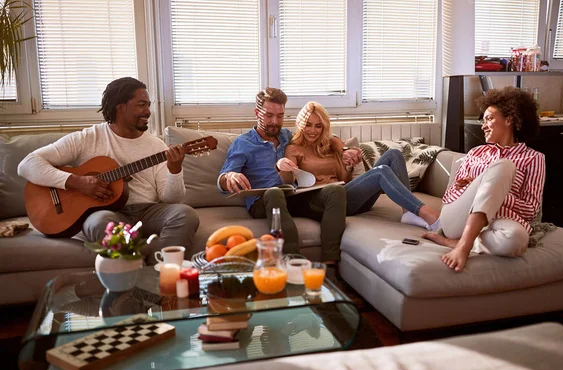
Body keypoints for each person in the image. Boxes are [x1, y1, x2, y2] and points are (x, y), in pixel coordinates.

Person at [18, 77, 199, 263]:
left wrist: (174, 170)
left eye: (149, 105)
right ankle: (130, 274)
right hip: (106, 213)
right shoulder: (88, 138)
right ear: (120, 107)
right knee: (99, 222)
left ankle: (159, 270)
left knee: (186, 214)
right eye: (141, 105)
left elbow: (171, 199)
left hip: (148, 211)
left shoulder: (156, 146)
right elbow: (27, 164)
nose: (148, 112)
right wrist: (76, 182)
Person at [419, 86, 545, 272]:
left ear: (509, 120)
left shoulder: (534, 158)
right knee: (505, 165)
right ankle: (464, 246)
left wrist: (492, 192)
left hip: (498, 222)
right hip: (458, 219)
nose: (483, 125)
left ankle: (454, 243)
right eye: (483, 120)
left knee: (517, 240)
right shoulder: (475, 153)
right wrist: (476, 188)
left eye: (489, 119)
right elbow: (448, 198)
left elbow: (531, 209)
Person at [218, 88, 346, 264]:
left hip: (293, 196)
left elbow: (324, 136)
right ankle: (292, 262)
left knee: (335, 191)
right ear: (257, 113)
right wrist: (230, 176)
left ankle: (330, 264)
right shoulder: (243, 143)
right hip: (263, 201)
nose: (275, 122)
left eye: (280, 116)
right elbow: (223, 179)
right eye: (269, 115)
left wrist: (343, 148)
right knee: (274, 192)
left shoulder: (287, 136)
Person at [281, 101, 441, 227]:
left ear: (324, 127)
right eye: (308, 125)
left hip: (348, 196)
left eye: (318, 126)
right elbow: (288, 182)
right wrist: (284, 167)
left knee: (394, 154)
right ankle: (428, 214)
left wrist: (348, 166)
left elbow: (343, 178)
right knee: (381, 171)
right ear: (300, 125)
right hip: (327, 203)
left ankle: (408, 212)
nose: (313, 131)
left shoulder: (330, 144)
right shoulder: (293, 149)